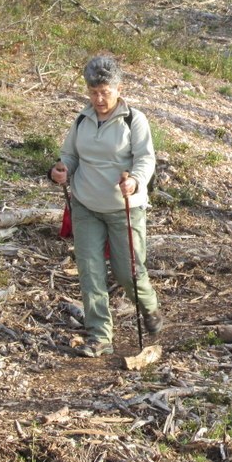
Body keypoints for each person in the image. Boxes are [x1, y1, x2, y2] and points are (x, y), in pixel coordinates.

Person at [49, 55, 160, 357]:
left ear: (118, 88)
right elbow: (69, 155)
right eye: (93, 92)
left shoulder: (132, 120)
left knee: (128, 272)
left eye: (105, 92)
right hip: (85, 205)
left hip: (125, 207)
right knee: (90, 271)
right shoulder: (82, 120)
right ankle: (99, 336)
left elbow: (146, 158)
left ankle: (148, 305)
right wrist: (61, 169)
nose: (99, 98)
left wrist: (135, 180)